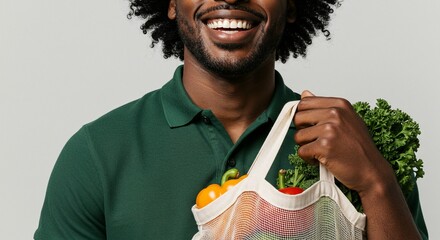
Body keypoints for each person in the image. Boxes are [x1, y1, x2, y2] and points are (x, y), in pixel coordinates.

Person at [34, 0, 428, 239]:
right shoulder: (98, 154)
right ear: (172, 2)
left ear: (291, 6)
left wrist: (376, 182)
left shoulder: (355, 140)